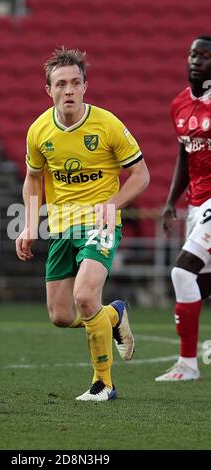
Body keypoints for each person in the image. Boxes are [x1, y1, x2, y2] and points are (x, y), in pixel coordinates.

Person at [15, 47, 150, 401]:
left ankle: (103, 383)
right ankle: (114, 317)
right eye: (61, 84)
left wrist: (113, 204)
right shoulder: (39, 131)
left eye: (76, 82)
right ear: (49, 90)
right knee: (61, 316)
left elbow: (141, 175)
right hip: (61, 227)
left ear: (86, 86)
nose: (69, 90)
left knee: (85, 295)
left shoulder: (108, 125)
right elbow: (33, 178)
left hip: (101, 223)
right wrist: (30, 224)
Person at [155, 36, 211, 382]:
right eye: (193, 54)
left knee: (181, 273)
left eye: (205, 56)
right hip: (196, 202)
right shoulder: (179, 104)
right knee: (199, 283)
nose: (196, 61)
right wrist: (170, 203)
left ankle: (188, 364)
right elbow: (183, 155)